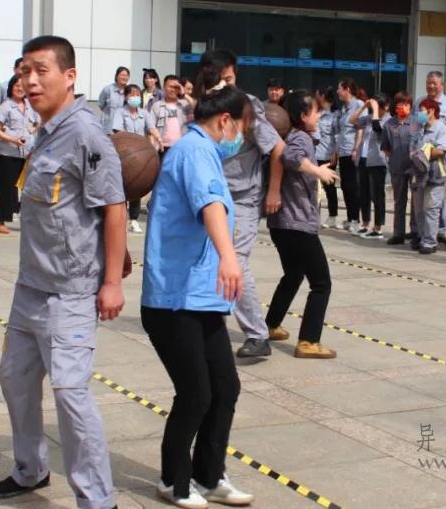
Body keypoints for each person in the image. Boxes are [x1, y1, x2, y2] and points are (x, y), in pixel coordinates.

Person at [0, 36, 126, 509]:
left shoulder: (87, 134)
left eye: (41, 70)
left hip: (70, 291)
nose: (30, 81)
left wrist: (112, 282)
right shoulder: (46, 130)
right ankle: (30, 468)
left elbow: (114, 206)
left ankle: (98, 499)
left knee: (70, 394)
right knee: (14, 379)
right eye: (24, 71)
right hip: (30, 286)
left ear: (69, 76)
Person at [141, 77, 253, 509]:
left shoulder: (204, 151)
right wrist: (229, 257)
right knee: (196, 394)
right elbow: (211, 206)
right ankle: (174, 480)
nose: (240, 137)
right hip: (174, 299)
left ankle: (209, 475)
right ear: (225, 121)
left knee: (225, 387)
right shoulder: (194, 151)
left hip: (201, 297)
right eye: (241, 127)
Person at [196, 50, 284, 360]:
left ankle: (258, 334)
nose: (226, 86)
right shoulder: (203, 106)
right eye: (220, 80)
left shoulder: (247, 106)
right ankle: (210, 322)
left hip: (244, 198)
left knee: (237, 262)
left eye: (230, 79)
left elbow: (278, 148)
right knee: (210, 261)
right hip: (213, 198)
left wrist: (273, 191)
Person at [264, 89, 340, 359]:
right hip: (297, 225)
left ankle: (270, 325)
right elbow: (291, 158)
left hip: (281, 224)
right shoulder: (300, 138)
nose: (319, 115)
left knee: (294, 274)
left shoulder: (290, 136)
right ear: (302, 115)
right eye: (315, 111)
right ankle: (308, 341)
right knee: (321, 283)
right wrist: (317, 170)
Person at [414, 71, 446, 243]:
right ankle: (420, 234)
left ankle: (438, 232)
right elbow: (414, 130)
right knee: (420, 205)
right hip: (419, 166)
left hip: (437, 162)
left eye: (434, 83)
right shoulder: (419, 102)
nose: (431, 86)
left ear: (442, 85)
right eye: (428, 83)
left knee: (435, 202)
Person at [0, 75, 39, 235]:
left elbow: (38, 121)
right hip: (9, 153)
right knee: (6, 188)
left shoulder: (30, 105)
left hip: (28, 153)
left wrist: (32, 130)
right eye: (17, 85)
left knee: (28, 189)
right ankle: (1, 221)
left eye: (23, 86)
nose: (20, 88)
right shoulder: (5, 107)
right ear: (11, 87)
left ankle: (26, 219)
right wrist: (13, 139)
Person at [410, 98, 446, 254]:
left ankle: (430, 242)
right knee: (419, 210)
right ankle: (422, 238)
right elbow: (412, 147)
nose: (419, 115)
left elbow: (441, 150)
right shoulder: (419, 128)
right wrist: (418, 153)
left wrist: (423, 153)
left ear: (431, 110)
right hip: (419, 174)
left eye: (422, 111)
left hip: (435, 174)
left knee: (431, 209)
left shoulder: (442, 129)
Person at [351, 94, 389, 239]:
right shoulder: (368, 118)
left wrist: (375, 110)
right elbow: (352, 120)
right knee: (364, 193)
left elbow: (378, 128)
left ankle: (378, 227)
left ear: (385, 107)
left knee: (377, 195)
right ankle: (365, 224)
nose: (375, 110)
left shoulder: (388, 120)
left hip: (378, 161)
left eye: (378, 107)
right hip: (363, 158)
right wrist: (363, 107)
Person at [381, 91, 417, 245]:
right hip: (397, 167)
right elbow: (386, 147)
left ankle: (415, 231)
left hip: (415, 167)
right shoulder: (389, 124)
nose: (403, 106)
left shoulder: (416, 122)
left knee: (416, 201)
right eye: (400, 103)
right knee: (399, 201)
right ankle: (398, 233)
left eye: (407, 103)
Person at [113, 83, 148, 234]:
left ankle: (133, 220)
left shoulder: (144, 113)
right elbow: (117, 131)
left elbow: (151, 129)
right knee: (122, 186)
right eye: (132, 94)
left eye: (137, 94)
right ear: (126, 96)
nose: (135, 97)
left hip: (140, 156)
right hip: (124, 154)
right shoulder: (120, 112)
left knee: (136, 185)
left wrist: (156, 140)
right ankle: (120, 218)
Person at [336, 78, 363, 232]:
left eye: (339, 88)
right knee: (345, 186)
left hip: (352, 151)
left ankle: (356, 220)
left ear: (347, 89)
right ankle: (349, 217)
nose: (338, 92)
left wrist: (356, 149)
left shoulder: (358, 105)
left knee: (353, 186)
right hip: (343, 151)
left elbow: (360, 128)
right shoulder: (344, 108)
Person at [314, 87, 340, 229]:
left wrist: (336, 152)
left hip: (327, 154)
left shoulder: (335, 115)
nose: (315, 97)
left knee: (329, 186)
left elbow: (337, 135)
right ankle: (314, 216)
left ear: (322, 96)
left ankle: (333, 216)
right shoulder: (316, 112)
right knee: (315, 187)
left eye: (317, 94)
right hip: (315, 153)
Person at [147, 74, 188, 155]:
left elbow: (197, 108)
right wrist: (153, 148)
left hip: (182, 147)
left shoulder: (185, 104)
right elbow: (151, 128)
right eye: (170, 86)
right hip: (162, 147)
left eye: (176, 87)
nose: (172, 90)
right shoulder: (157, 105)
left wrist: (184, 94)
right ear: (164, 87)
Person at [97, 66, 130, 132]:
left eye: (126, 75)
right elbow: (101, 105)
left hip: (123, 127)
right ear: (116, 76)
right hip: (108, 127)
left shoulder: (129, 91)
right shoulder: (108, 89)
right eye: (122, 75)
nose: (124, 77)